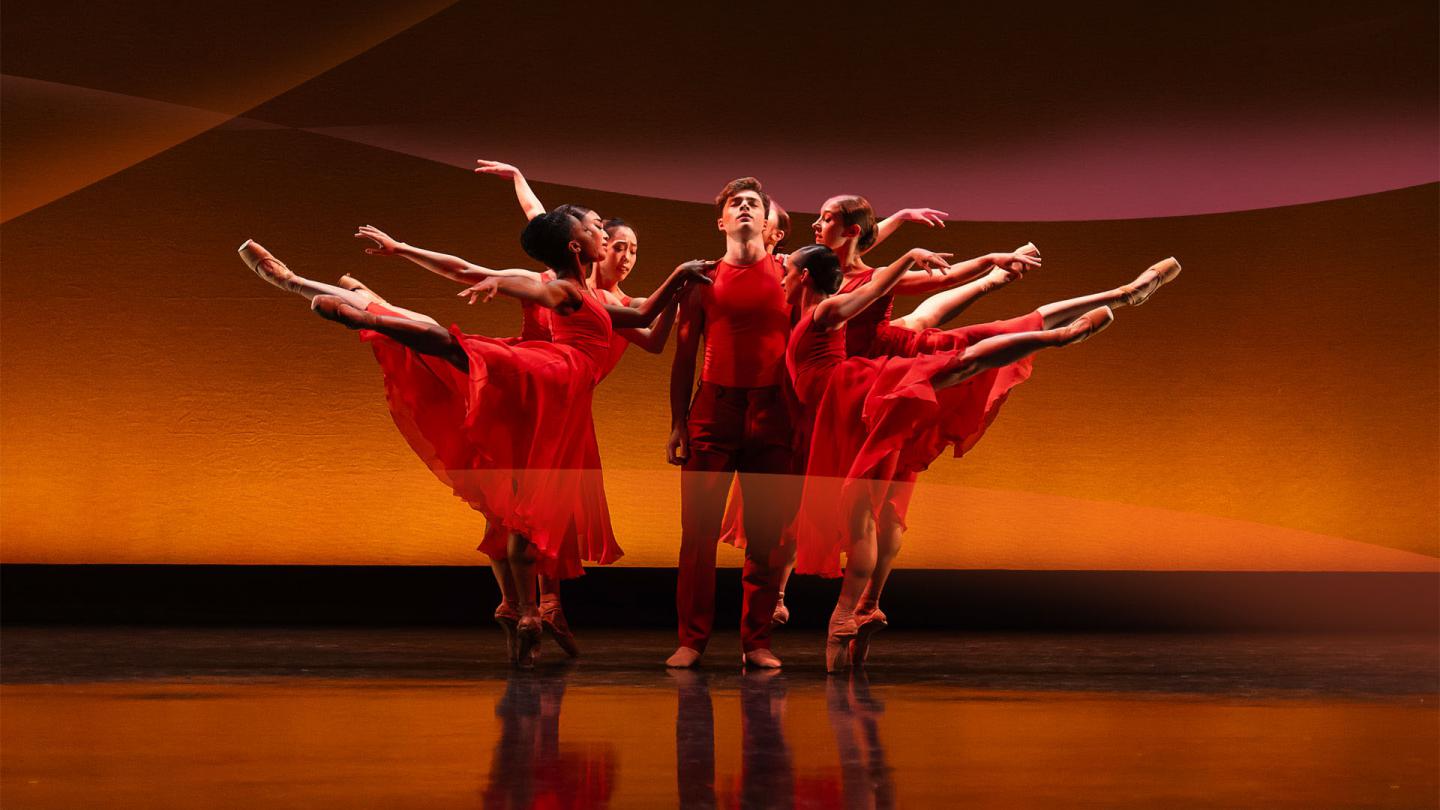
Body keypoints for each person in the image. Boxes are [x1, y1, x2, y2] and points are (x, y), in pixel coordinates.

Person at [238, 207, 708, 665]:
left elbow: (646, 317)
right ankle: (353, 309)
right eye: (600, 231)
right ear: (576, 245)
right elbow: (505, 272)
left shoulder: (599, 300)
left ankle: (528, 610)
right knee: (454, 347)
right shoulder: (562, 288)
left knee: (524, 504)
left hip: (557, 401)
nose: (608, 239)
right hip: (548, 379)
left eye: (619, 240)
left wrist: (679, 280)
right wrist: (484, 277)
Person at [781, 244, 1179, 670]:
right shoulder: (823, 296)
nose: (783, 272)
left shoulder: (836, 302)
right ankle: (861, 608)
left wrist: (930, 259)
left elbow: (901, 286)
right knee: (877, 505)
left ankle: (1074, 326)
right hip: (862, 385)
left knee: (966, 361)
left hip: (864, 381)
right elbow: (924, 289)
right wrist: (988, 270)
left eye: (825, 219)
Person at [666, 177, 797, 669]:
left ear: (767, 221)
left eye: (753, 204)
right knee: (697, 534)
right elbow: (683, 357)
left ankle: (757, 642)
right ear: (721, 221)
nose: (744, 208)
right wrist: (678, 423)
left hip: (774, 413)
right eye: (735, 204)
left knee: (766, 534)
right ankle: (691, 640)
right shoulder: (700, 281)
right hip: (713, 412)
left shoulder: (790, 275)